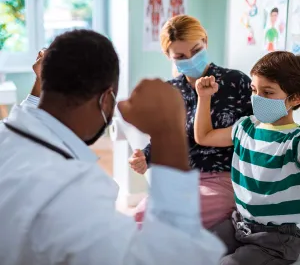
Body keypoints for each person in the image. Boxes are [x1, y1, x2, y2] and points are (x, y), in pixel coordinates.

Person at [0, 30, 225, 265]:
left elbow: (30, 115)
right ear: (106, 99)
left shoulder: (6, 134)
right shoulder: (71, 192)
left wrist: (41, 85)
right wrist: (169, 131)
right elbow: (173, 256)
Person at [129, 15, 253, 229]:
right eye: (181, 55)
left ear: (205, 41)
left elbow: (254, 134)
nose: (191, 59)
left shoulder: (236, 82)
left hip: (224, 180)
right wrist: (144, 158)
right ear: (169, 56)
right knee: (139, 216)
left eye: (196, 50)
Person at [194, 51, 300, 265]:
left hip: (277, 239)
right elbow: (204, 136)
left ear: (295, 98)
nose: (258, 99)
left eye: (268, 92)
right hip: (239, 224)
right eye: (254, 90)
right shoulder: (245, 127)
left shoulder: (294, 141)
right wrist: (204, 98)